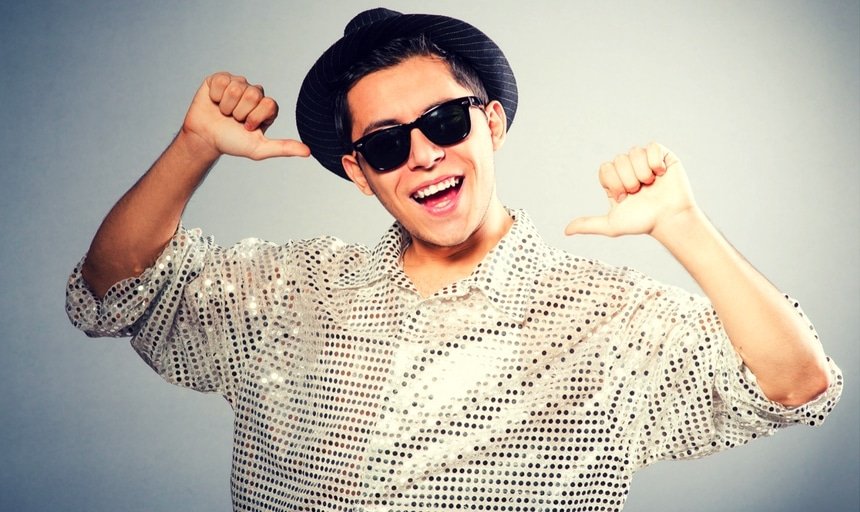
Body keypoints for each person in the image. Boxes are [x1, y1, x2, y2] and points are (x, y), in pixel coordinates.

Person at [66, 7, 842, 512]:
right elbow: (116, 291)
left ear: (491, 123)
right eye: (386, 143)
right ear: (357, 172)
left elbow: (795, 385)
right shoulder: (288, 290)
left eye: (444, 121)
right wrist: (195, 146)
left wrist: (684, 227)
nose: (426, 155)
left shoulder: (608, 318)